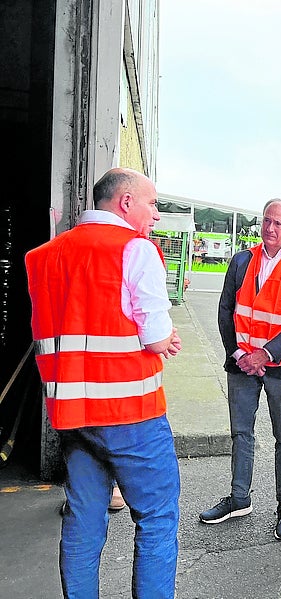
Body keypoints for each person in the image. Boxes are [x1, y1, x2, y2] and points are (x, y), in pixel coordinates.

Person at [26, 167, 182, 598]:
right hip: (131, 412)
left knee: (83, 518)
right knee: (156, 518)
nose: (156, 215)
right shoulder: (136, 250)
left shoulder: (44, 256)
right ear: (126, 202)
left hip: (73, 414)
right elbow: (153, 335)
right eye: (152, 204)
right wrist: (165, 339)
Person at [200, 199, 281, 543]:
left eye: (279, 223)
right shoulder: (242, 260)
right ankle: (239, 499)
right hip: (241, 363)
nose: (271, 228)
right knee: (242, 433)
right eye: (267, 221)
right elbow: (226, 309)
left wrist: (264, 355)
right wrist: (238, 352)